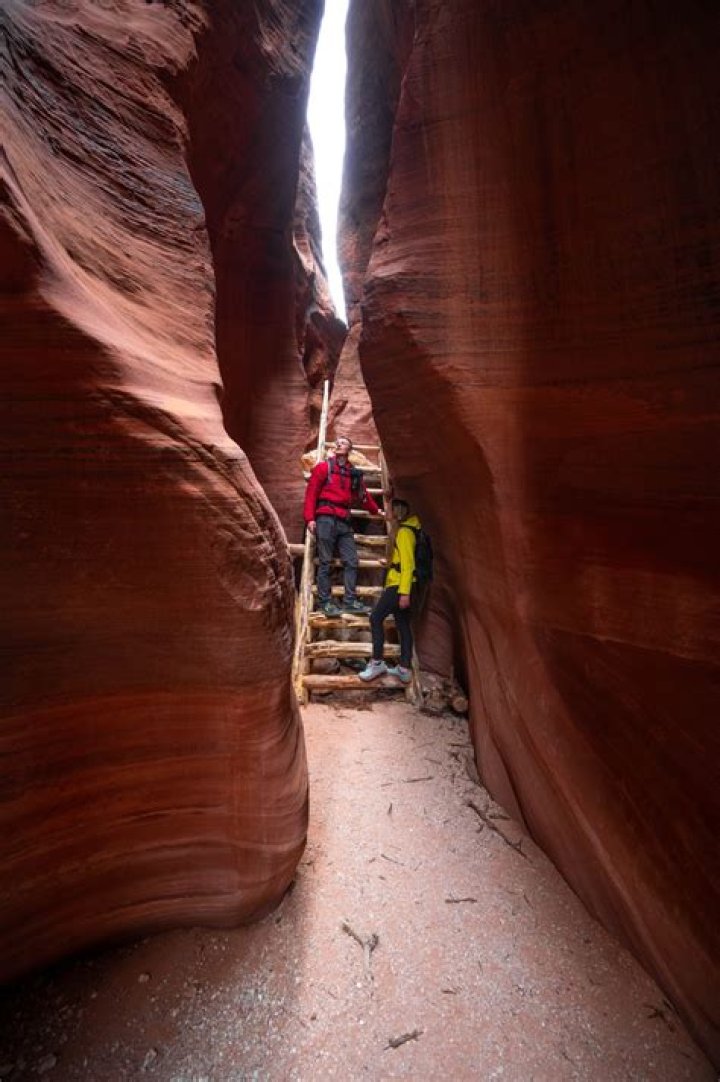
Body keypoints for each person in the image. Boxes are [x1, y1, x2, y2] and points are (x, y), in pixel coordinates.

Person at [304, 435, 382, 617]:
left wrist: (376, 511)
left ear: (350, 450)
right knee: (325, 561)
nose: (339, 444)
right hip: (325, 518)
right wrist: (310, 518)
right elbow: (312, 493)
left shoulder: (352, 473)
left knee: (351, 560)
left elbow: (363, 496)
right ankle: (325, 602)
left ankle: (349, 601)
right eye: (337, 442)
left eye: (343, 442)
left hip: (344, 520)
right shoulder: (324, 467)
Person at [359, 498, 420, 684]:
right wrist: (391, 563)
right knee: (402, 624)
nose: (387, 513)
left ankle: (377, 663)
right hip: (404, 583)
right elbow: (403, 560)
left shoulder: (404, 533)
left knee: (375, 618)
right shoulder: (408, 530)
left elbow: (408, 565)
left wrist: (404, 593)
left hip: (399, 585)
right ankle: (403, 668)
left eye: (389, 510)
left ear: (397, 513)